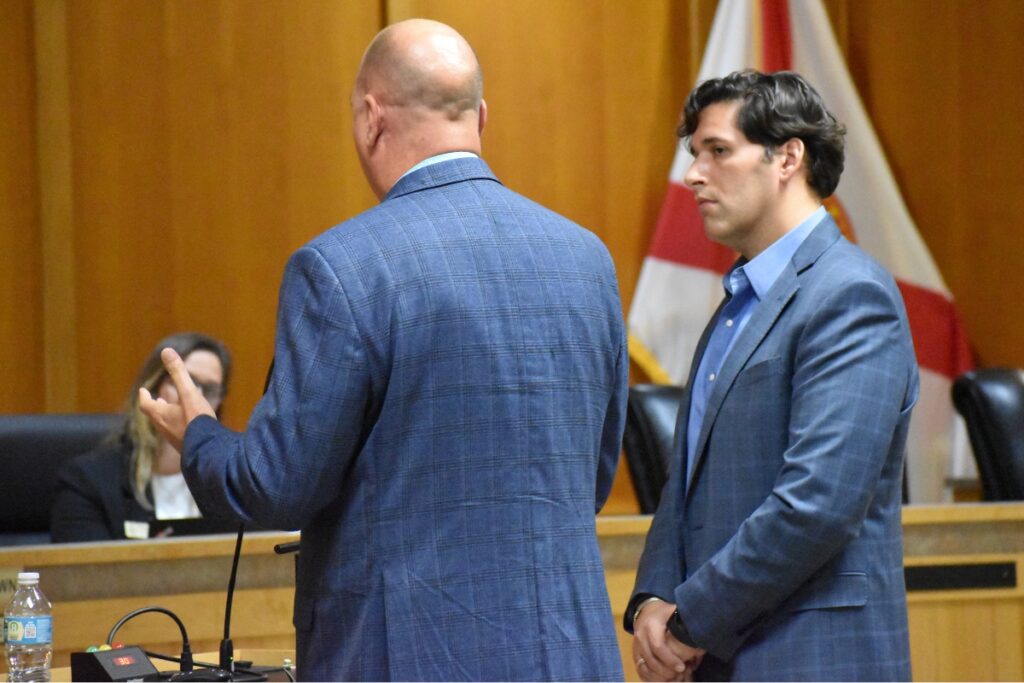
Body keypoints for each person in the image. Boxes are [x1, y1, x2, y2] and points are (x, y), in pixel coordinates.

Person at [140, 18, 628, 682]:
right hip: (570, 658)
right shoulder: (587, 260)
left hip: (401, 660)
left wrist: (197, 432)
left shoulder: (341, 268)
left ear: (372, 118)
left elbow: (275, 485)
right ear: (480, 117)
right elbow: (591, 479)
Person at [625, 70, 918, 682]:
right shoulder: (737, 302)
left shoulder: (849, 294)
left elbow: (817, 505)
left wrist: (689, 622)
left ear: (787, 157)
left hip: (810, 656)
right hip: (721, 654)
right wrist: (652, 597)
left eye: (718, 151)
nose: (694, 175)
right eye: (694, 154)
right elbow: (686, 487)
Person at [50, 332, 231, 543]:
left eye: (209, 390)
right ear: (153, 387)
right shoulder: (87, 482)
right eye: (183, 382)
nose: (194, 397)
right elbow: (82, 572)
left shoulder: (229, 481)